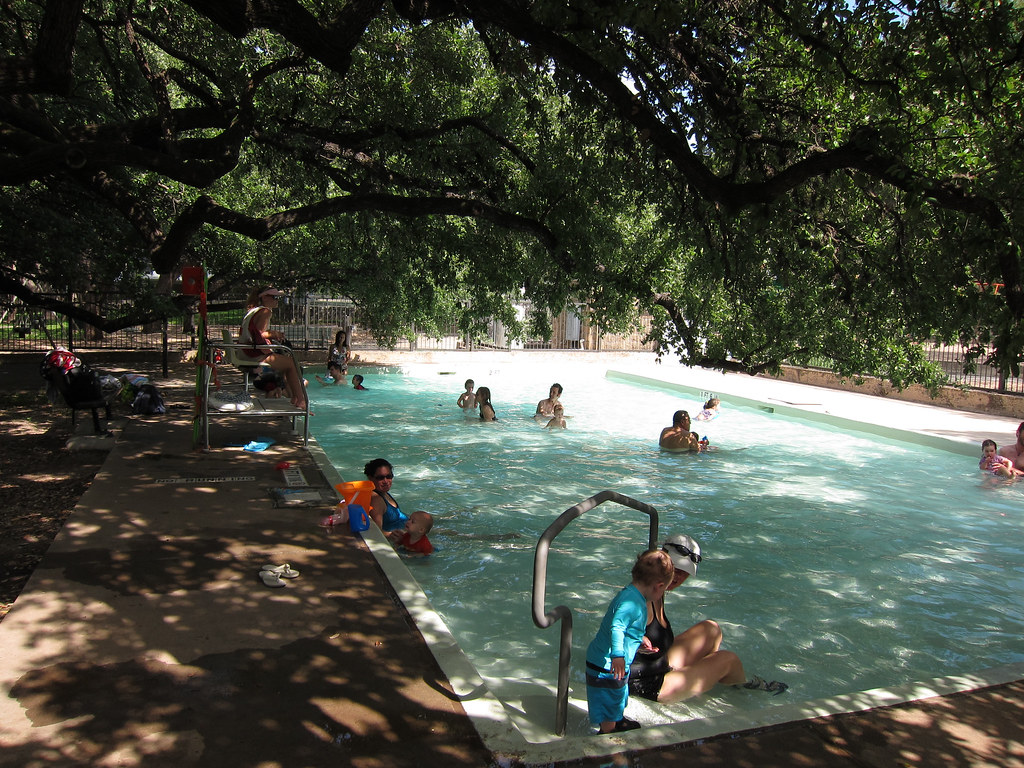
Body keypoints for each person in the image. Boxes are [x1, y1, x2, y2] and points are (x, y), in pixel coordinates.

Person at [628, 534, 767, 704]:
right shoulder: (643, 596)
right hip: (645, 685)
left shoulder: (656, 589)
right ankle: (742, 696)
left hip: (655, 665)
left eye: (684, 573)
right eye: (675, 570)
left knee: (711, 629)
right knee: (728, 660)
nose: (677, 577)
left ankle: (708, 678)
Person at [586, 549, 674, 734]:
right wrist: (617, 655)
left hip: (612, 664)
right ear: (658, 586)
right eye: (664, 589)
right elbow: (617, 628)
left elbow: (625, 626)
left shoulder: (633, 595)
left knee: (618, 696)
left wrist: (638, 638)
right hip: (608, 665)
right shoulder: (631, 602)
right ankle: (607, 734)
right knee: (610, 700)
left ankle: (617, 720)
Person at [238, 286, 307, 409]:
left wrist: (271, 334)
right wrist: (274, 334)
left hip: (244, 350)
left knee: (287, 365)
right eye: (274, 297)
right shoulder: (265, 311)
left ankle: (296, 398)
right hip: (252, 352)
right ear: (264, 297)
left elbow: (255, 333)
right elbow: (259, 334)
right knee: (292, 364)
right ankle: (301, 401)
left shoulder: (254, 311)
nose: (277, 300)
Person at [364, 458, 408, 532]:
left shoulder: (383, 492)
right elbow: (377, 532)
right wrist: (390, 535)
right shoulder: (376, 500)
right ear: (370, 478)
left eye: (389, 476)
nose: (386, 481)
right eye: (380, 478)